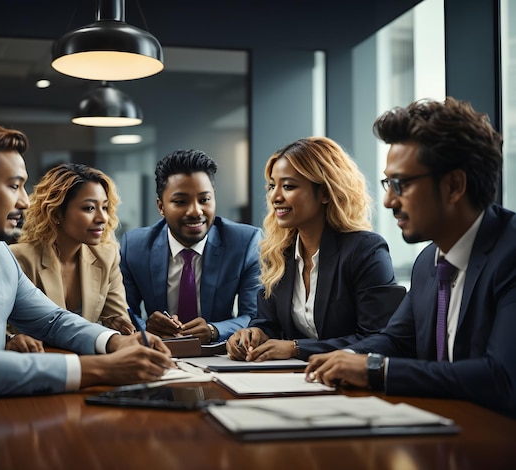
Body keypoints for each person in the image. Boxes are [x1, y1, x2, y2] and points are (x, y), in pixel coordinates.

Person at [0, 122, 173, 467]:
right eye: (14, 186)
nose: (25, 201)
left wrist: (114, 342)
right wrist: (104, 368)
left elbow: (52, 319)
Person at [305, 97, 516, 419]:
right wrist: (345, 357)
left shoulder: (510, 254)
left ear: (453, 186)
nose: (388, 200)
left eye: (400, 184)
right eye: (388, 183)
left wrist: (377, 370)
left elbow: (501, 378)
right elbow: (396, 341)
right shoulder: (428, 262)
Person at [226, 137, 404, 362]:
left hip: (351, 383)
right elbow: (268, 323)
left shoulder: (366, 250)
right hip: (293, 381)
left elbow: (379, 337)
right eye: (272, 186)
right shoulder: (278, 253)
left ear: (325, 193)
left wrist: (297, 348)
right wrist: (253, 335)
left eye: (288, 186)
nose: (275, 197)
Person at [120, 149, 262, 344]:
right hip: (159, 353)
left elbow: (255, 316)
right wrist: (148, 329)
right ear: (161, 207)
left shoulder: (244, 242)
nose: (195, 211)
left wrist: (214, 330)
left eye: (204, 200)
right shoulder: (135, 246)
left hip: (220, 354)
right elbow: (123, 314)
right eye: (180, 202)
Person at [8, 163, 134, 352]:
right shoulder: (18, 258)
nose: (103, 218)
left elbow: (119, 322)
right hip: (37, 364)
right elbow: (0, 329)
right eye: (90, 208)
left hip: (92, 364)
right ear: (57, 212)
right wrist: (11, 339)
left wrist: (121, 327)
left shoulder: (106, 257)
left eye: (105, 207)